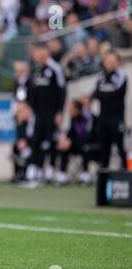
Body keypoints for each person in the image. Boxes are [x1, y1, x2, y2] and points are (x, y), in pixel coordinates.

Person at [27, 44, 66, 185]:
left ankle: (50, 170)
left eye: (39, 53)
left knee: (51, 141)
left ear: (45, 53)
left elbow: (62, 91)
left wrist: (59, 112)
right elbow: (32, 91)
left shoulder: (55, 69)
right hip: (38, 113)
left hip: (51, 112)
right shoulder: (37, 70)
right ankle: (34, 168)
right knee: (36, 139)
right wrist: (31, 106)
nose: (36, 57)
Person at [91, 50, 128, 169]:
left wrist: (103, 95)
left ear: (118, 62)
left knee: (121, 147)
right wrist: (105, 94)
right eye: (108, 61)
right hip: (103, 117)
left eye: (113, 61)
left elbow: (116, 94)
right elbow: (96, 94)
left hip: (117, 118)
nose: (110, 64)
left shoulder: (121, 76)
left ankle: (126, 173)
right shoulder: (101, 76)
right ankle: (103, 175)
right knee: (104, 147)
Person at [55, 99, 99, 185]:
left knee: (85, 147)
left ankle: (85, 174)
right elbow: (71, 133)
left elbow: (89, 136)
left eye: (71, 109)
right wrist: (65, 140)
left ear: (78, 109)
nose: (69, 112)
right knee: (64, 147)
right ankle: (63, 174)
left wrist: (71, 141)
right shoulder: (73, 118)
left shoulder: (89, 118)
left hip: (90, 144)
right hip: (78, 144)